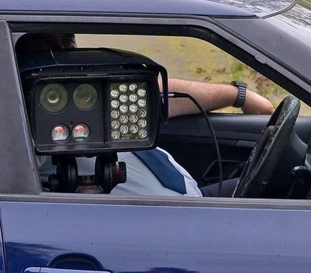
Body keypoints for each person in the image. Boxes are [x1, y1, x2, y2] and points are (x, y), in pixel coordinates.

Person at [15, 32, 275, 197]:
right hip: (167, 227)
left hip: (193, 201)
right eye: (43, 44)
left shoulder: (90, 96)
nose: (61, 52)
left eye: (67, 41)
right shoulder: (20, 121)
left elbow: (156, 93)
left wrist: (238, 95)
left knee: (277, 179)